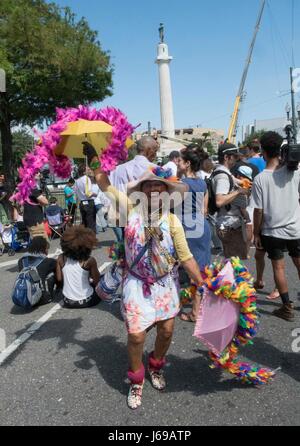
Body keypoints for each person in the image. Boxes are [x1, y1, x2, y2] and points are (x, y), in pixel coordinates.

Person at [84, 143, 205, 410]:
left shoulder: (172, 221)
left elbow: (185, 257)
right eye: (148, 185)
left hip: (165, 284)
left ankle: (156, 365)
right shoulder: (129, 210)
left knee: (167, 331)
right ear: (141, 191)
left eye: (158, 185)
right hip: (137, 284)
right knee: (137, 336)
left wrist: (202, 282)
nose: (152, 189)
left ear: (165, 191)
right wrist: (94, 158)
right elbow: (104, 184)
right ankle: (136, 379)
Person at [251, 131, 300, 321]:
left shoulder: (261, 179)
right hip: (295, 227)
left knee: (278, 268)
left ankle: (286, 307)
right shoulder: (294, 172)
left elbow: (258, 211)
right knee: (298, 262)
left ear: (262, 151)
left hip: (272, 231)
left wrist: (256, 233)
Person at [177, 145, 212, 322]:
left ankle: (195, 312)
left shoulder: (182, 185)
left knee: (190, 269)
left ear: (188, 163)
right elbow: (204, 209)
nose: (177, 162)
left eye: (180, 160)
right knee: (200, 268)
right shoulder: (202, 182)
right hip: (201, 225)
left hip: (186, 227)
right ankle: (196, 307)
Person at [108, 136, 159, 241]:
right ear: (149, 151)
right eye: (155, 150)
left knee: (126, 250)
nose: (156, 154)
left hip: (122, 217)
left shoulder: (117, 170)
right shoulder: (155, 169)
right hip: (146, 220)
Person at [211, 143, 250, 259]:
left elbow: (233, 180)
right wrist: (238, 192)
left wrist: (243, 183)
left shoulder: (222, 172)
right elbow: (219, 200)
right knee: (235, 263)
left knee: (232, 262)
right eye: (235, 157)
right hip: (229, 224)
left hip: (227, 223)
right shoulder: (222, 177)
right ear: (226, 157)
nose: (237, 160)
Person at [56, 226, 101, 308]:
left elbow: (59, 279)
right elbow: (96, 281)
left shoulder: (61, 258)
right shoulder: (89, 260)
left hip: (67, 301)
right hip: (88, 300)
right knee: (103, 279)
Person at [18, 237, 57, 305]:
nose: (47, 251)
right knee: (54, 271)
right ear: (43, 249)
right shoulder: (47, 261)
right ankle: (51, 293)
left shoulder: (21, 261)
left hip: (26, 297)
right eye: (47, 248)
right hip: (43, 299)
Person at [23, 173, 49, 239]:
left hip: (30, 218)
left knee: (37, 243)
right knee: (42, 243)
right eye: (36, 172)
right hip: (35, 220)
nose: (39, 174)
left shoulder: (26, 185)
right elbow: (45, 202)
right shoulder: (32, 187)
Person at [74, 165, 96, 233]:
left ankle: (85, 240)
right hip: (88, 202)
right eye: (87, 170)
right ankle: (91, 240)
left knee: (85, 223)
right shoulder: (86, 178)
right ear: (84, 172)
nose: (89, 171)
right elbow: (88, 193)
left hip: (82, 203)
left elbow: (76, 192)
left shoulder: (77, 181)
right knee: (91, 223)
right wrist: (95, 194)